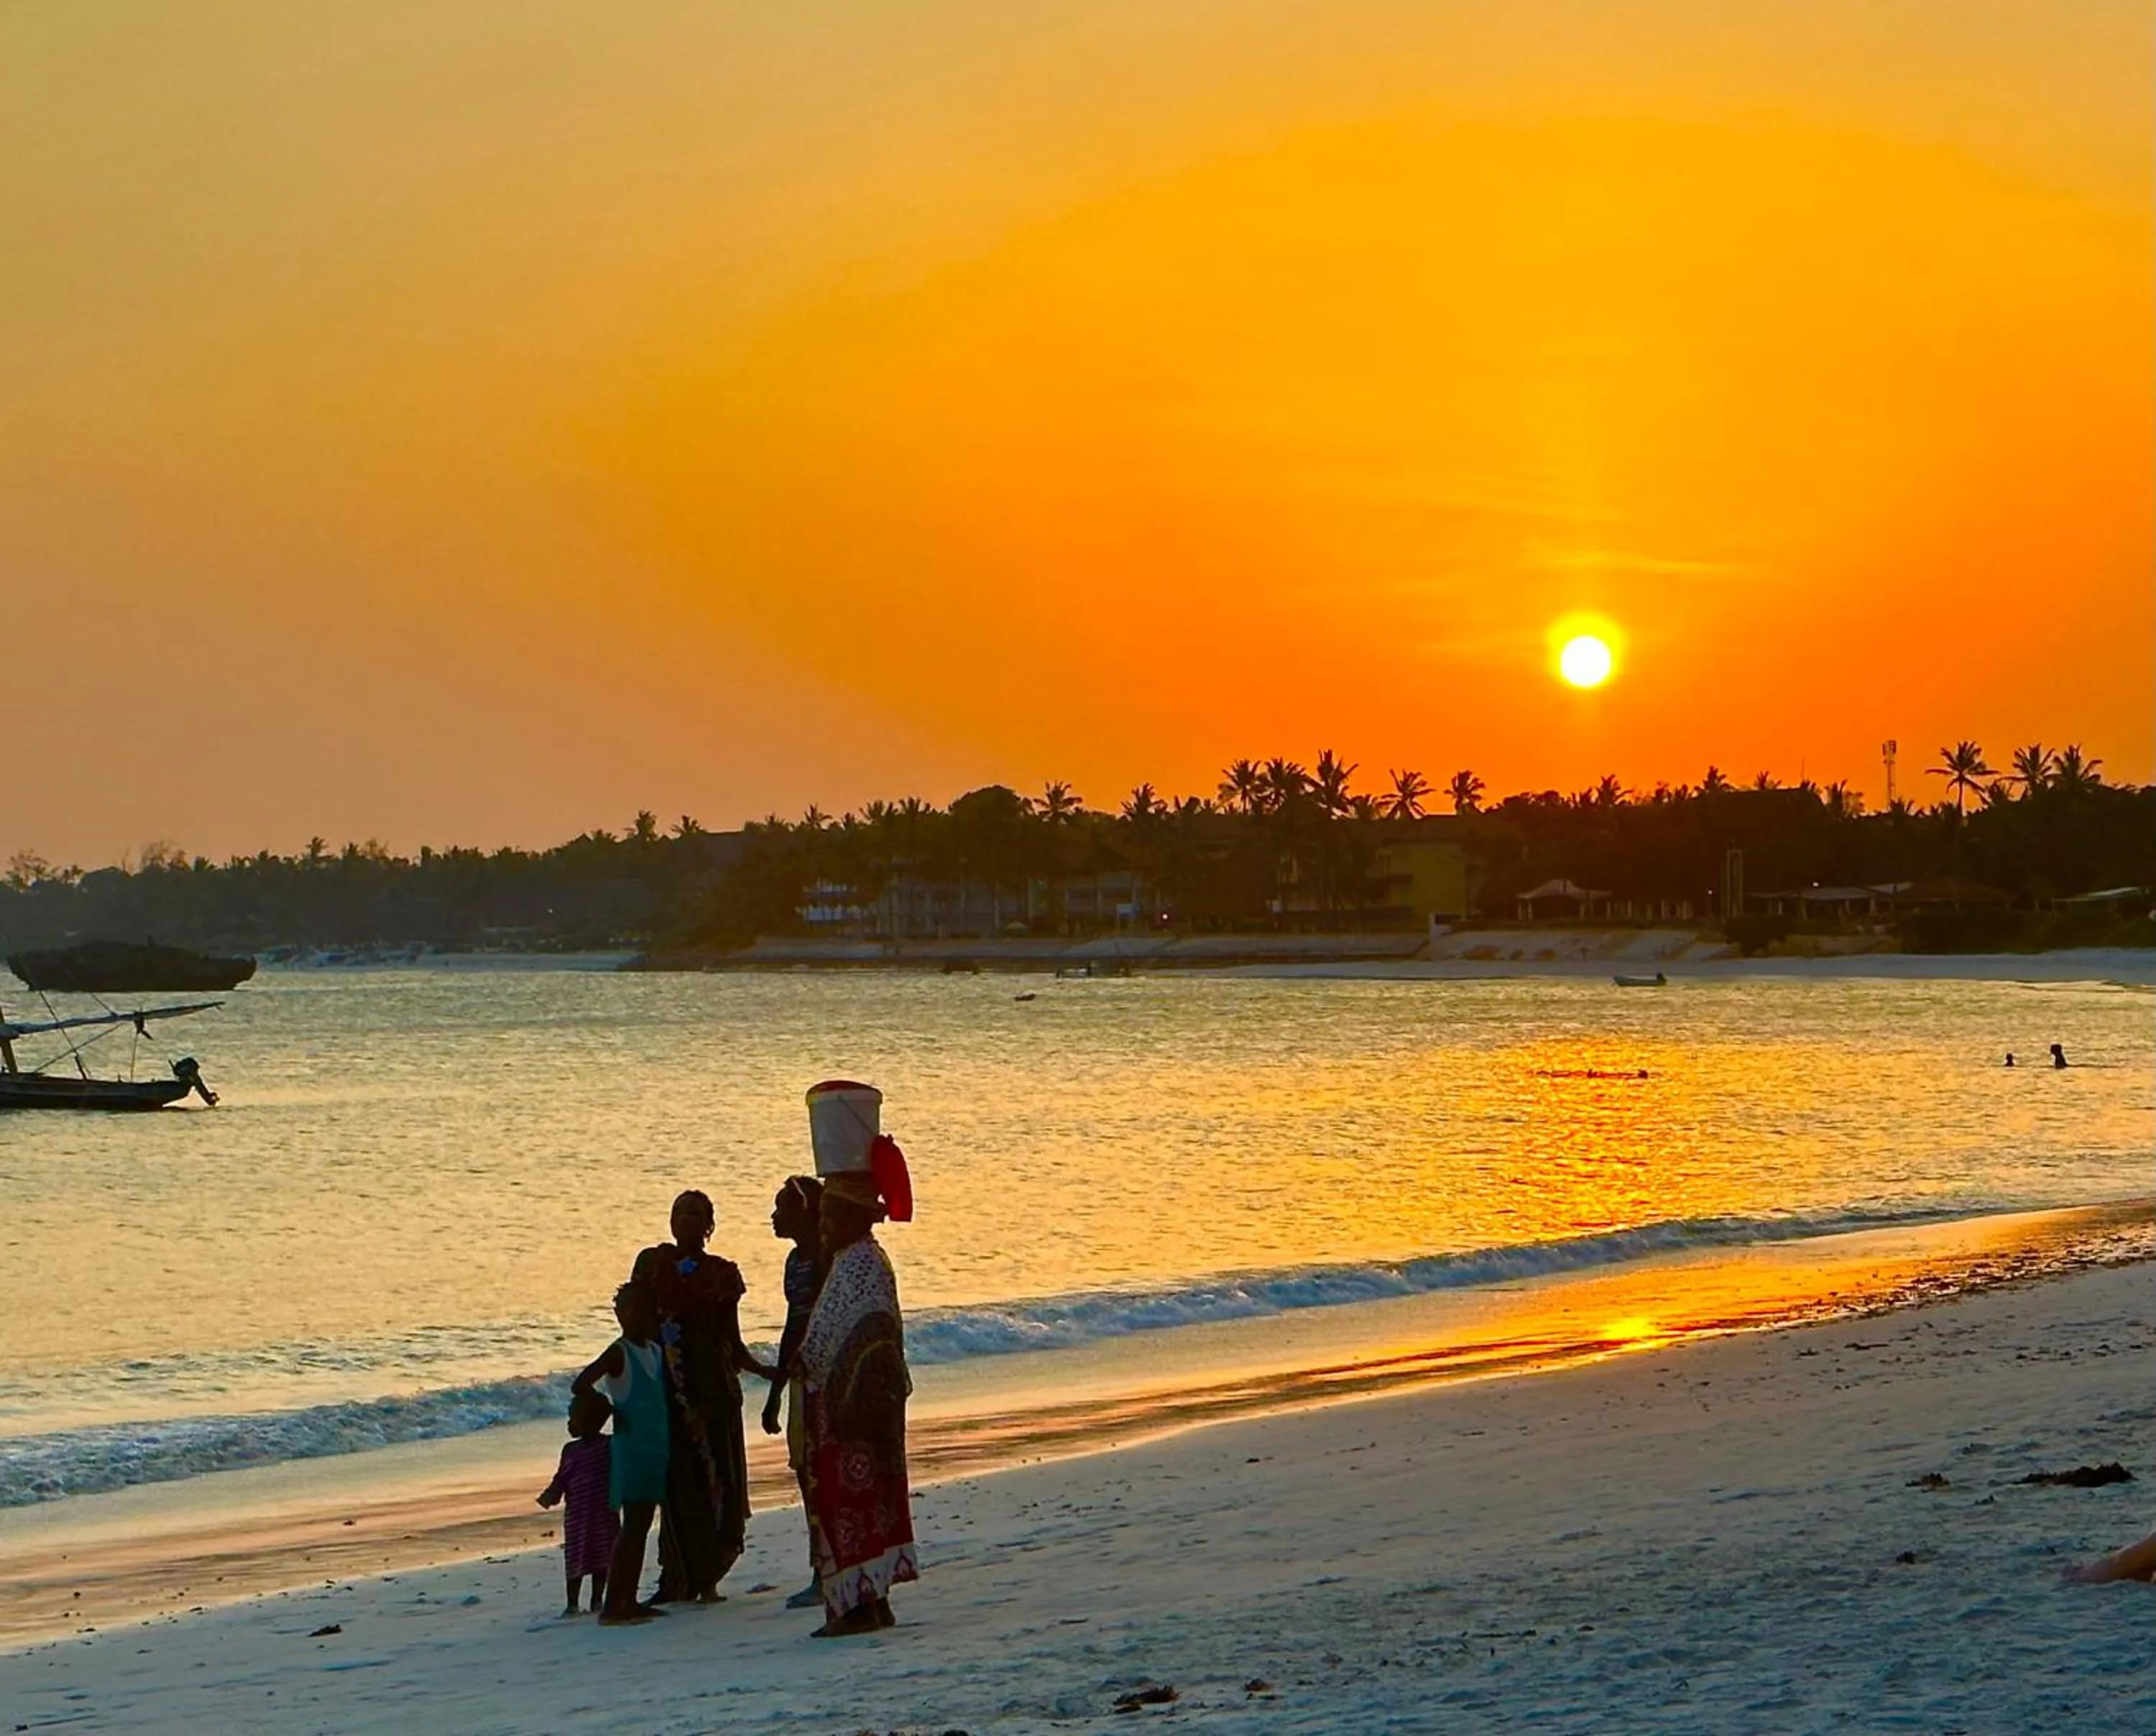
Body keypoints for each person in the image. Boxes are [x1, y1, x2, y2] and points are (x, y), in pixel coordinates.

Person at [630, 1191, 773, 1603]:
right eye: (680, 1212)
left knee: (717, 1486)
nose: (687, 1220)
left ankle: (707, 1577)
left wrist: (767, 1372)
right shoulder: (653, 1263)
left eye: (697, 1214)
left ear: (710, 1225)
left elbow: (733, 1342)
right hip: (668, 1394)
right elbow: (634, 1325)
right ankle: (674, 1578)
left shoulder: (723, 1274)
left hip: (715, 1393)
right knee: (677, 1489)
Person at [799, 1164, 918, 1637]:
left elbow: (862, 1332)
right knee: (865, 1506)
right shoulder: (855, 1261)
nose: (824, 1227)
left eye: (830, 1216)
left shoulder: (861, 1264)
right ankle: (872, 1601)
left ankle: (857, 1609)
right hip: (861, 1411)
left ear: (854, 1216)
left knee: (851, 1508)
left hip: (851, 1416)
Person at [571, 1280, 671, 1625]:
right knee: (631, 1527)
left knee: (641, 1525)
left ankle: (628, 1597)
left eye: (641, 1309)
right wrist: (604, 1409)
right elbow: (581, 1383)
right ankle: (615, 1605)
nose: (634, 1315)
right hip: (631, 1450)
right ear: (618, 1314)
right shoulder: (619, 1352)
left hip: (656, 1447)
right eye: (626, 1309)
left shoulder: (655, 1351)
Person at [760, 1175, 826, 1609]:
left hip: (823, 1375)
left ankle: (828, 1568)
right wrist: (775, 1392)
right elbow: (791, 1326)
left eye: (782, 1207)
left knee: (821, 1472)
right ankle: (822, 1567)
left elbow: (814, 1321)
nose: (774, 1216)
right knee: (806, 1472)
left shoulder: (824, 1257)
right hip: (802, 1377)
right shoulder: (794, 1261)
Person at [536, 1390, 619, 1617]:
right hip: (582, 1515)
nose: (570, 1424)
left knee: (600, 1557)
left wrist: (551, 1495)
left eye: (573, 1418)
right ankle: (574, 1603)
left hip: (599, 1512)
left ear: (588, 1421)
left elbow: (561, 1479)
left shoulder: (608, 1446)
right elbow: (561, 1479)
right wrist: (550, 1496)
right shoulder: (577, 1449)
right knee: (580, 1557)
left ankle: (595, 1601)